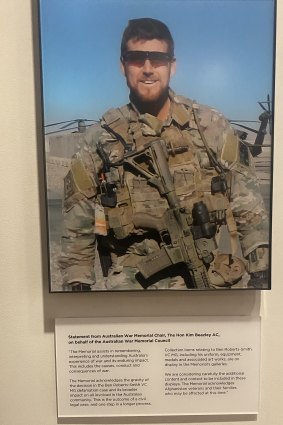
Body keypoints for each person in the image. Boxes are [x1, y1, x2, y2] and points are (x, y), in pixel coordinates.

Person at [59, 17, 269, 291]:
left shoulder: (210, 125)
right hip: (133, 283)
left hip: (205, 275)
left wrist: (261, 271)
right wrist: (78, 285)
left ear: (172, 65)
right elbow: (78, 222)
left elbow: (248, 204)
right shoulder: (100, 138)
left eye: (157, 59)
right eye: (137, 59)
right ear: (123, 66)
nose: (148, 69)